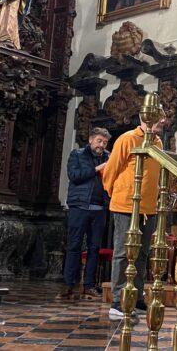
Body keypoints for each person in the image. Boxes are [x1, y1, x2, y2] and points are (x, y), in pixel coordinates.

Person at [102, 110, 165, 321]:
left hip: (149, 208)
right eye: (159, 116)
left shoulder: (158, 143)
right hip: (126, 205)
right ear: (146, 117)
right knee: (123, 253)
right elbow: (111, 170)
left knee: (142, 254)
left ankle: (136, 297)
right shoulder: (127, 138)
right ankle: (118, 301)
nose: (163, 120)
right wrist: (117, 194)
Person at [57, 127, 111, 301]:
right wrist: (97, 169)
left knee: (94, 248)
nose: (101, 145)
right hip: (79, 206)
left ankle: (89, 286)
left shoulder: (109, 157)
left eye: (105, 142)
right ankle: (68, 285)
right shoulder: (77, 155)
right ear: (90, 140)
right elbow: (74, 176)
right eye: (99, 141)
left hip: (99, 208)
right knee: (74, 245)